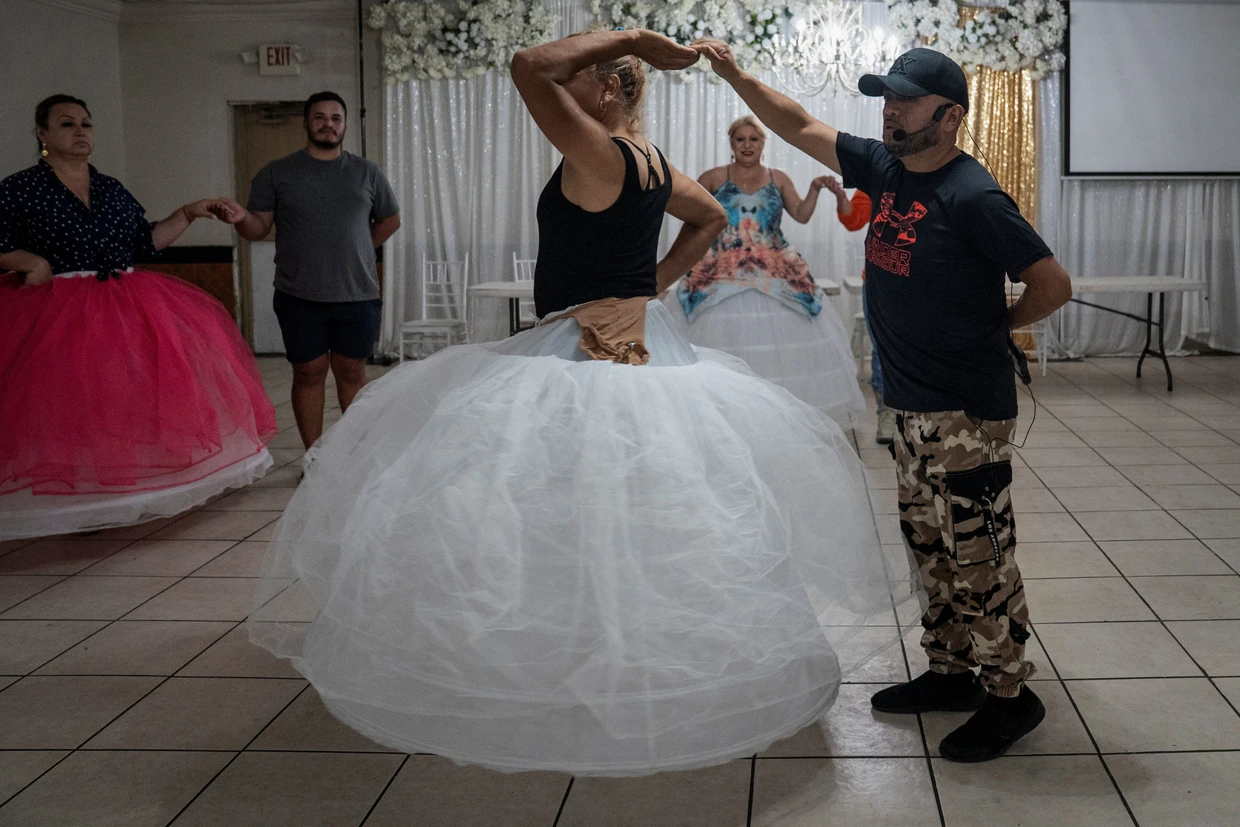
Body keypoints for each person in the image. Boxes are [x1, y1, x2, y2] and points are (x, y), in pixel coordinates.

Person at [248, 29, 915, 776]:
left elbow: (528, 65)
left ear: (606, 92)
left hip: (578, 353)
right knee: (634, 502)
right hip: (644, 342)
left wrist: (635, 40)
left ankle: (573, 654)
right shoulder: (656, 164)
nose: (570, 90)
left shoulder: (600, 152)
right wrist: (649, 288)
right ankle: (624, 640)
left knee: (559, 496)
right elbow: (713, 222)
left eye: (588, 80)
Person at [694, 41, 1073, 762]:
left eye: (904, 99)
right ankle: (952, 669)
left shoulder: (973, 195)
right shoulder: (885, 164)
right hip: (902, 404)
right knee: (928, 545)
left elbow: (1052, 283)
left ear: (950, 115)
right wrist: (737, 75)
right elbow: (800, 123)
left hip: (964, 411)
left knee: (978, 554)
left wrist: (993, 329)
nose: (889, 110)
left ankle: (1009, 694)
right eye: (886, 98)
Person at [0, 95, 277, 540]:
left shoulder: (110, 188)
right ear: (42, 134)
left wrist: (188, 213)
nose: (80, 131)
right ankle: (73, 500)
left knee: (119, 395)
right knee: (68, 400)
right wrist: (28, 261)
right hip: (54, 308)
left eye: (86, 123)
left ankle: (118, 495)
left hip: (122, 303)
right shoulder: (19, 188)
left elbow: (145, 242)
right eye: (67, 124)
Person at [217, 92, 401, 450]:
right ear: (306, 123)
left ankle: (350, 456)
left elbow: (390, 220)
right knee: (308, 374)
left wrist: (357, 249)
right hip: (298, 295)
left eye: (335, 118)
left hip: (357, 294)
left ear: (345, 125)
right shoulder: (277, 172)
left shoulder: (367, 172)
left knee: (352, 373)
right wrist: (241, 219)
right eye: (319, 117)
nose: (328, 124)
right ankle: (315, 457)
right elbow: (258, 228)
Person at [660, 115, 864, 422]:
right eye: (740, 139)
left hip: (776, 270)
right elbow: (693, 224)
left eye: (753, 139)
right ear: (731, 143)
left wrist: (814, 189)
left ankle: (776, 417)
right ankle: (723, 412)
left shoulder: (777, 178)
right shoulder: (712, 178)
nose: (747, 145)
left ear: (763, 144)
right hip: (720, 269)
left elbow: (801, 215)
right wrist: (673, 266)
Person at [830, 183, 896, 444]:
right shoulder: (879, 177)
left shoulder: (936, 175)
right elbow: (854, 219)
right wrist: (839, 196)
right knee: (882, 346)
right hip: (881, 278)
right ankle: (887, 412)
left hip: (925, 277)